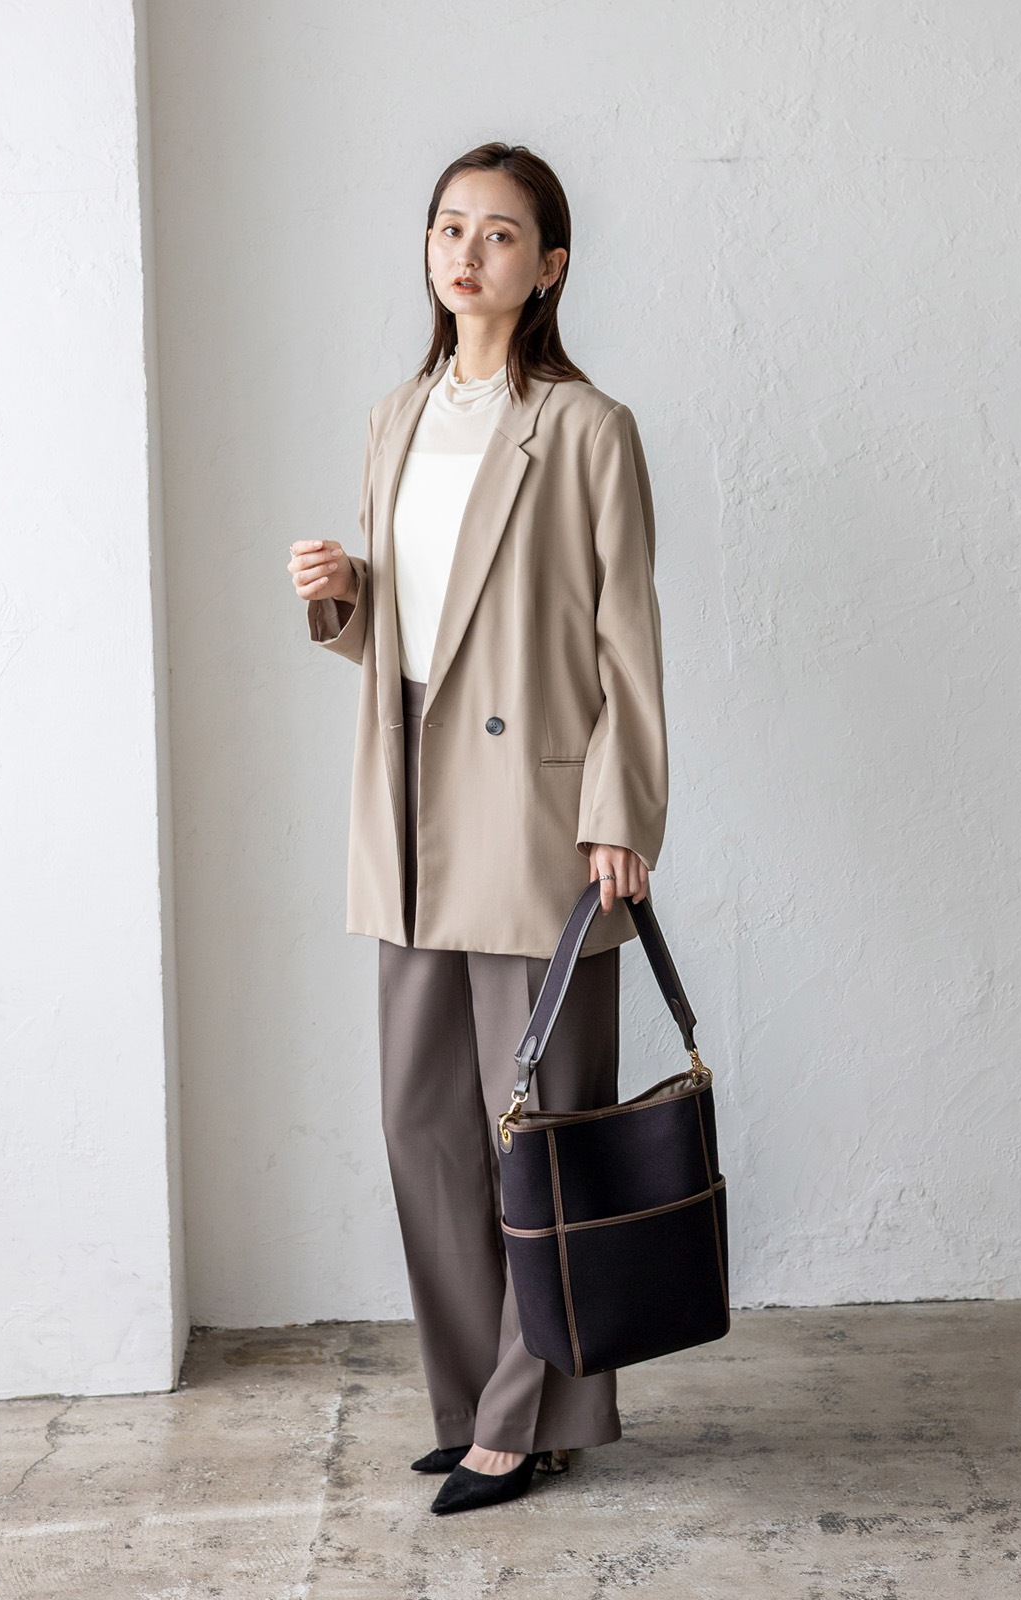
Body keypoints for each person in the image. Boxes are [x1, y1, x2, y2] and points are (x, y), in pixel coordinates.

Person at [288, 141, 668, 1515]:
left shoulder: (585, 427)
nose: (466, 252)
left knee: (541, 1122)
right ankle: (470, 1403)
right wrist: (342, 595)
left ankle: (533, 1414)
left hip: (536, 812)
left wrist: (620, 815)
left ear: (549, 266)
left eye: (499, 233)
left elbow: (625, 639)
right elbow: (412, 632)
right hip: (406, 796)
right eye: (449, 227)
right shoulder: (396, 415)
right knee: (423, 1121)